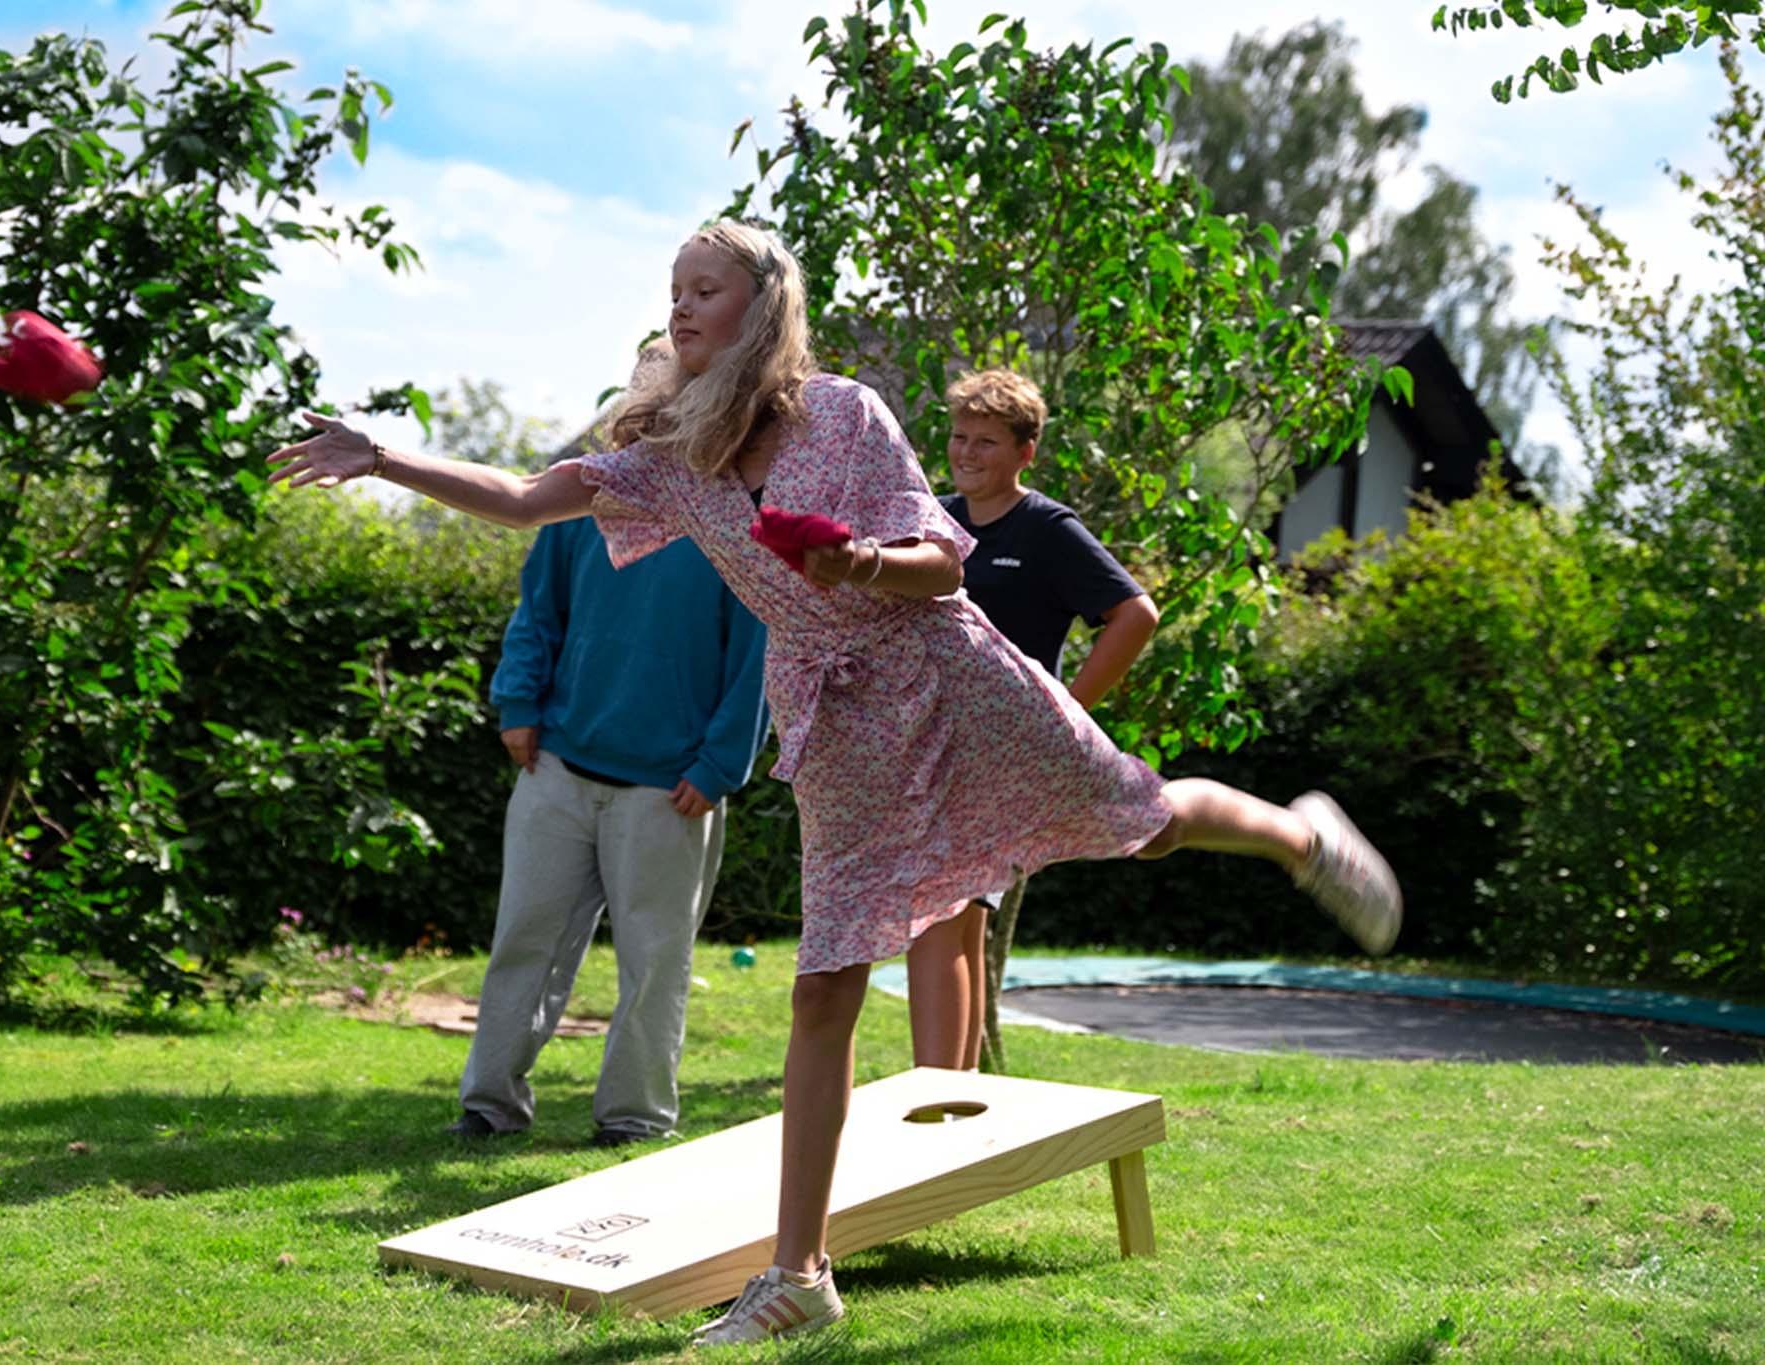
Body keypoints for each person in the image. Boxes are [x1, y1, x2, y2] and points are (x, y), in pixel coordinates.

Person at [266, 220, 1401, 1348]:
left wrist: (854, 559)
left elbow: (939, 562)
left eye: (705, 288)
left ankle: (1298, 837)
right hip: (841, 721)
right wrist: (382, 458)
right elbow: (522, 496)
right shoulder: (670, 457)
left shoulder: (845, 414)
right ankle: (799, 1273)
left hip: (950, 676)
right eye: (674, 288)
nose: (680, 307)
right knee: (824, 987)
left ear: (762, 308)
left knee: (1140, 820)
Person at [451, 346, 770, 1148]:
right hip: (558, 765)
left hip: (672, 787)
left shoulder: (737, 514)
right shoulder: (587, 494)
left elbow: (758, 653)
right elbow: (537, 609)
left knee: (655, 963)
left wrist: (720, 764)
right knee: (523, 940)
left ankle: (634, 1116)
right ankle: (489, 1103)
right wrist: (518, 701)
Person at [908, 368, 1162, 1070]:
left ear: (1026, 451)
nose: (966, 452)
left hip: (1000, 760)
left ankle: (938, 1097)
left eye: (986, 441)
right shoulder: (934, 520)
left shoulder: (1047, 528)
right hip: (931, 750)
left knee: (942, 917)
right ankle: (957, 1095)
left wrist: (1067, 711)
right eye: (959, 436)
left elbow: (1135, 614)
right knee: (959, 923)